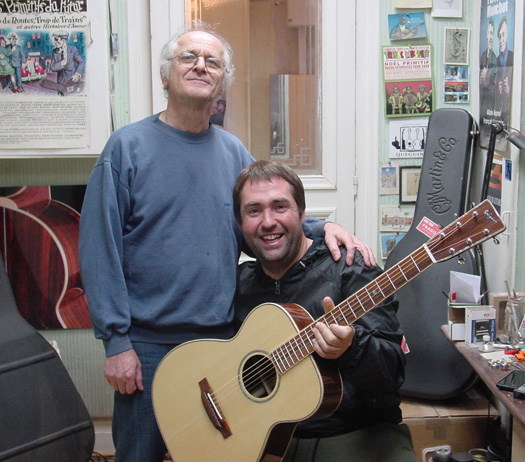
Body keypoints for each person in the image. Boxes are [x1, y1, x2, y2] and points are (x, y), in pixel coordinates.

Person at [79, 22, 375, 462]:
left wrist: (321, 229)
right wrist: (116, 343)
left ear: (222, 81)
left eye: (212, 61)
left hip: (219, 344)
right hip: (145, 347)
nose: (201, 65)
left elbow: (264, 217)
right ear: (166, 75)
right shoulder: (127, 148)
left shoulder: (233, 152)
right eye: (188, 57)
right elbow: (99, 251)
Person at [233, 160, 417, 462]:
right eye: (254, 211)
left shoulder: (353, 269)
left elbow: (393, 371)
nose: (268, 221)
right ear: (240, 225)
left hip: (351, 432)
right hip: (261, 435)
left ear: (303, 215)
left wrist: (351, 348)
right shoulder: (238, 284)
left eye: (280, 206)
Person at [479, 18, 498, 144]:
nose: (490, 37)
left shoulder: (494, 58)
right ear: (486, 35)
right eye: (489, 33)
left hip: (490, 100)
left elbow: (491, 83)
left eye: (493, 33)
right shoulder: (483, 55)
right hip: (482, 101)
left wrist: (485, 78)